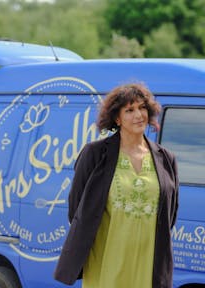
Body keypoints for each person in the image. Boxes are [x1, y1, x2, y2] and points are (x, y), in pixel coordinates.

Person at [54, 83, 179, 288]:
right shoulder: (94, 154)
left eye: (142, 107)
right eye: (129, 110)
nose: (138, 115)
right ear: (117, 118)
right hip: (106, 259)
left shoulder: (166, 158)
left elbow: (170, 213)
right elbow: (77, 208)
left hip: (149, 262)